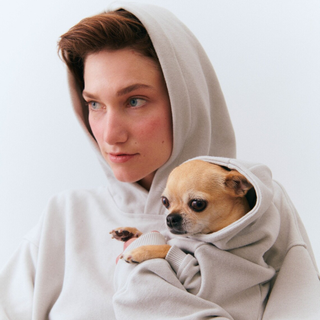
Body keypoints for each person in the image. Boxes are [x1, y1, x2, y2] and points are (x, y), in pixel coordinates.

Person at [0, 2, 319, 319]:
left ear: (186, 101)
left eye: (134, 101)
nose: (110, 135)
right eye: (95, 104)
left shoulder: (259, 207)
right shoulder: (65, 217)